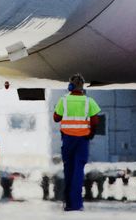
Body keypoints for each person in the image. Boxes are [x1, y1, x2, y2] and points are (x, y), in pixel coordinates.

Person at [53, 73, 102, 211]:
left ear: (70, 86)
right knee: (78, 171)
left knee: (68, 170)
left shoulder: (63, 100)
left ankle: (68, 203)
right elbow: (95, 121)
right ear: (82, 87)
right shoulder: (89, 101)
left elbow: (56, 118)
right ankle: (77, 204)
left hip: (68, 140)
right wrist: (91, 133)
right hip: (82, 141)